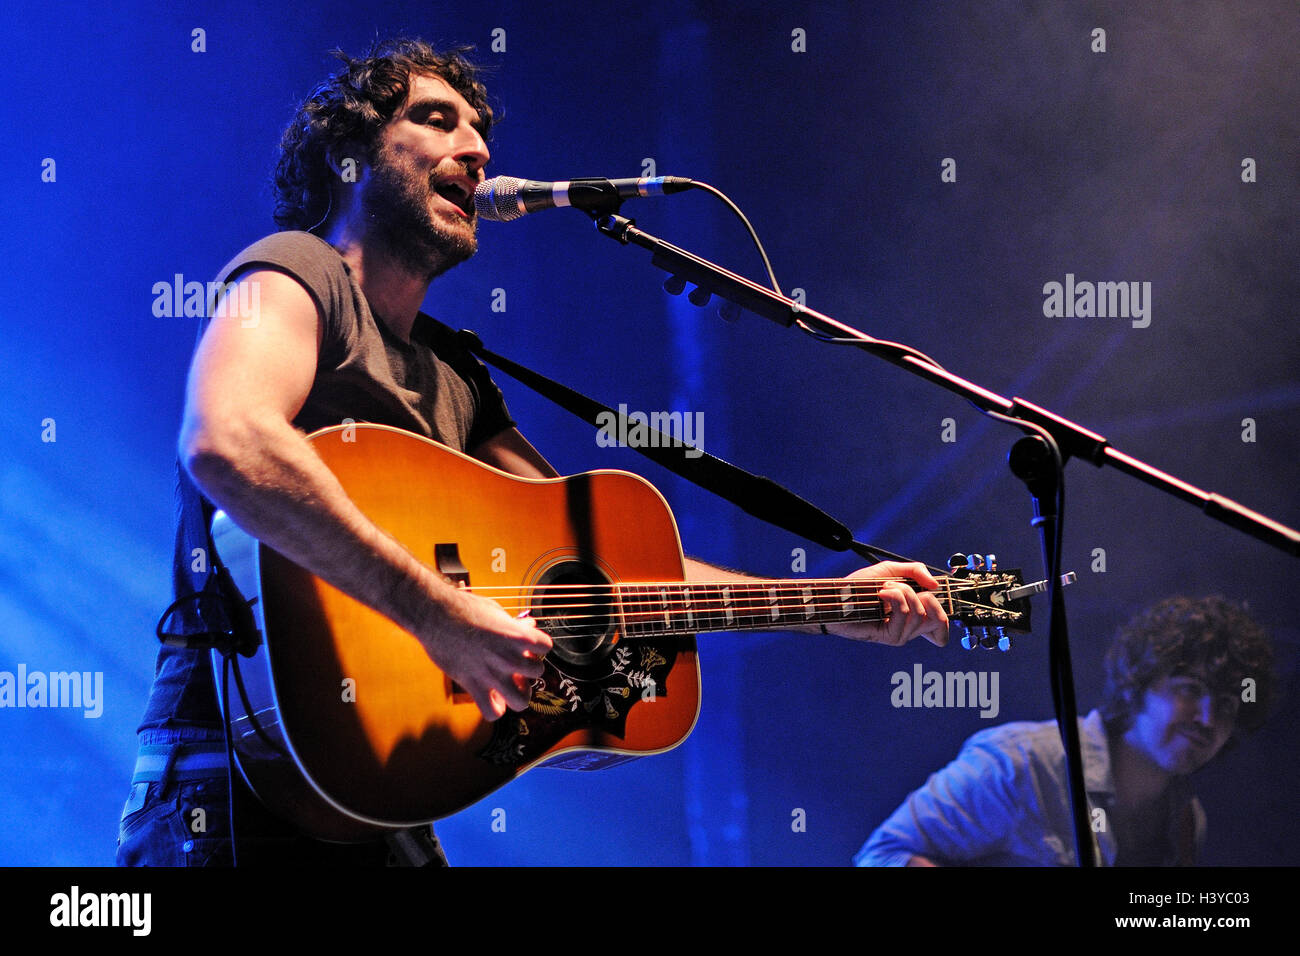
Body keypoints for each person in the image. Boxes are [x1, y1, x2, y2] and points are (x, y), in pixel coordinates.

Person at [116, 38, 952, 867]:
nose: (476, 149)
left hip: (382, 793)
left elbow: (607, 562)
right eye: (436, 121)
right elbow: (228, 439)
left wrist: (822, 602)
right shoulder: (298, 272)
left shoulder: (457, 376)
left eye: (479, 131)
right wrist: (437, 613)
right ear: (348, 160)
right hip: (230, 784)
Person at [854, 595, 1275, 867]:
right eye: (1190, 690)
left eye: (1224, 704)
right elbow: (880, 857)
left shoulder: (1187, 821)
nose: (1207, 717)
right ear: (1138, 686)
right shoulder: (1021, 761)